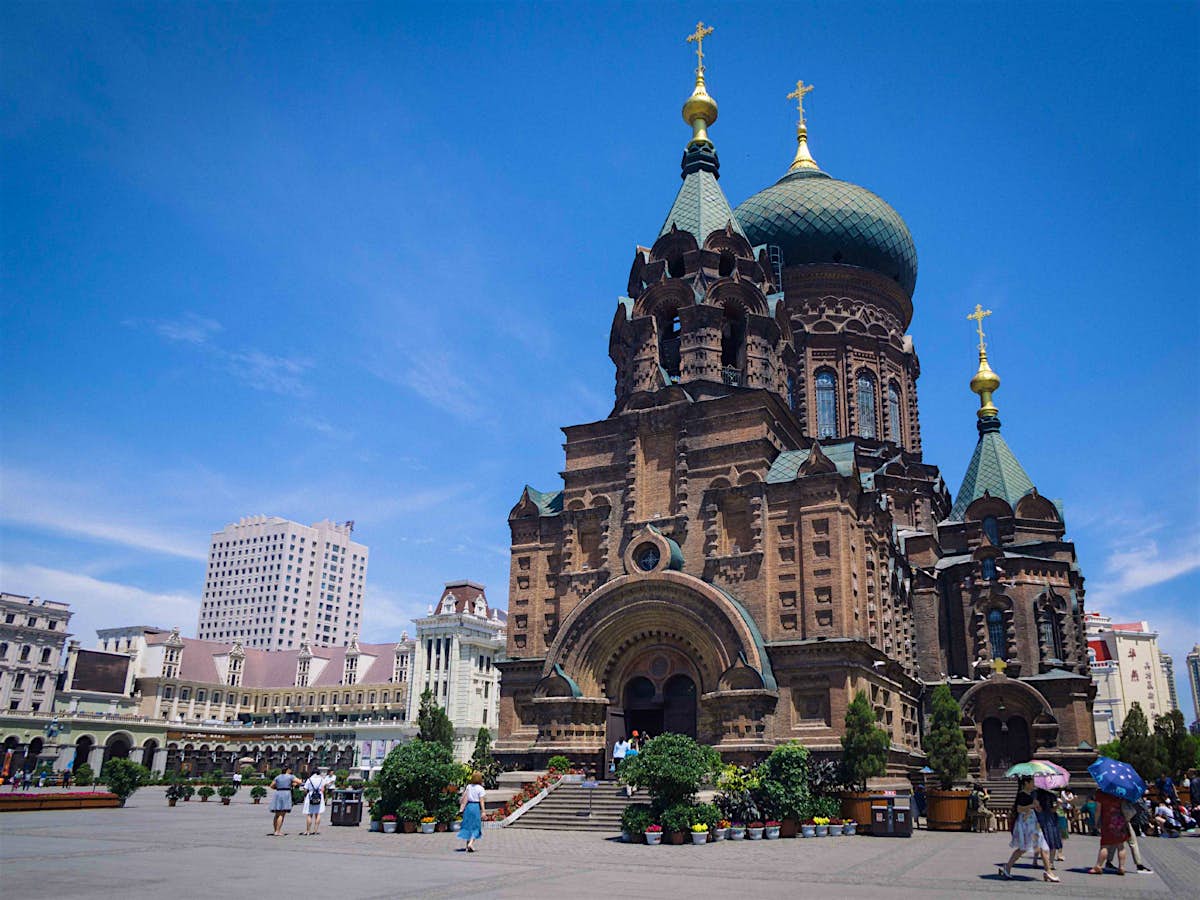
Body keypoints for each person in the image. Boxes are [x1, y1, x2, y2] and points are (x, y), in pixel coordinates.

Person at [1000, 776, 1057, 882]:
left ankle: (1048, 871)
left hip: (1033, 823)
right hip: (1026, 824)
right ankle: (1007, 867)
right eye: (1032, 782)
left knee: (1042, 847)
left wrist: (1037, 806)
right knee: (1023, 848)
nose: (1034, 784)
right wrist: (1031, 805)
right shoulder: (1021, 794)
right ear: (1026, 783)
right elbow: (1019, 809)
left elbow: (1036, 809)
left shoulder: (1032, 794)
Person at [1088, 789, 1129, 875]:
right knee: (1121, 845)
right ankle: (1121, 867)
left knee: (1105, 845)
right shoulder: (1121, 791)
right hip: (1120, 821)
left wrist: (1095, 822)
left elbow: (1098, 810)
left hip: (1108, 821)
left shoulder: (1101, 793)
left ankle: (1098, 866)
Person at [1106, 798, 1152, 874]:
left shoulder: (1112, 795)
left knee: (1114, 842)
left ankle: (1108, 862)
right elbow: (1129, 813)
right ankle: (1139, 865)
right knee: (1132, 843)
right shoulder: (1126, 797)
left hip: (1114, 820)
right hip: (1123, 822)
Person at [457, 770, 486, 853]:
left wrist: (461, 808)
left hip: (468, 807)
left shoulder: (469, 786)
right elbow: (481, 801)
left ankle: (467, 845)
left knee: (468, 825)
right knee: (476, 826)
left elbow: (465, 798)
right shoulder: (480, 789)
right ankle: (471, 843)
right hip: (475, 807)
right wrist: (483, 811)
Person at [269, 765, 302, 837]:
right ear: (288, 770)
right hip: (286, 793)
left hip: (278, 793)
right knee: (282, 813)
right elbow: (299, 782)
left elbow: (271, 786)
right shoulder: (290, 776)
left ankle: (275, 830)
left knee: (277, 814)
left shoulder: (278, 776)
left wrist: (278, 787)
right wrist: (294, 783)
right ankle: (278, 831)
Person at [1035, 788, 1064, 865]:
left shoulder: (1035, 794)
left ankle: (1035, 861)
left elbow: (1037, 809)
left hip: (1039, 820)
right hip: (1050, 820)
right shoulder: (1051, 796)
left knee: (1040, 841)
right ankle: (1050, 862)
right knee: (1052, 841)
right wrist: (1058, 805)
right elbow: (1052, 810)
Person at [300, 766, 333, 836]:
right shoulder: (321, 779)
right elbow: (323, 789)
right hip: (319, 796)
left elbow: (305, 789)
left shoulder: (309, 779)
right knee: (318, 813)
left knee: (309, 814)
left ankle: (308, 831)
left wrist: (306, 794)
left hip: (310, 796)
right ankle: (315, 830)